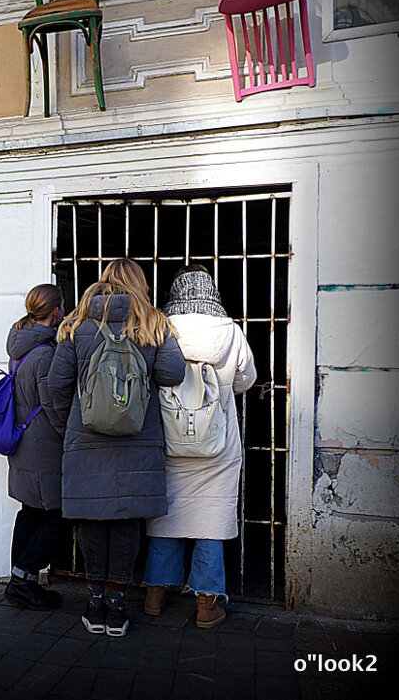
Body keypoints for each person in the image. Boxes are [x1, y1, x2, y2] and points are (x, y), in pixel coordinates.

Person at [47, 259, 185, 637]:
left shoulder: (76, 323)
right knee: (126, 521)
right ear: (139, 284)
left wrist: (69, 427)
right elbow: (173, 374)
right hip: (137, 439)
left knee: (92, 519)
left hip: (85, 439)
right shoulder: (153, 323)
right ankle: (118, 608)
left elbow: (57, 384)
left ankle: (93, 604)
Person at [143, 265, 256, 628]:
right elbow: (245, 381)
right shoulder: (231, 332)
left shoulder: (161, 328)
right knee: (211, 518)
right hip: (217, 443)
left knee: (166, 515)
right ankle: (207, 606)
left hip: (167, 438)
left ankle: (155, 596)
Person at [2, 284, 68, 610]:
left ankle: (21, 580)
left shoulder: (19, 347)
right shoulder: (44, 353)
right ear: (55, 311)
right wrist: (71, 436)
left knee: (30, 512)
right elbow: (54, 406)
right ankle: (22, 580)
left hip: (25, 442)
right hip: (44, 446)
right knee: (55, 515)